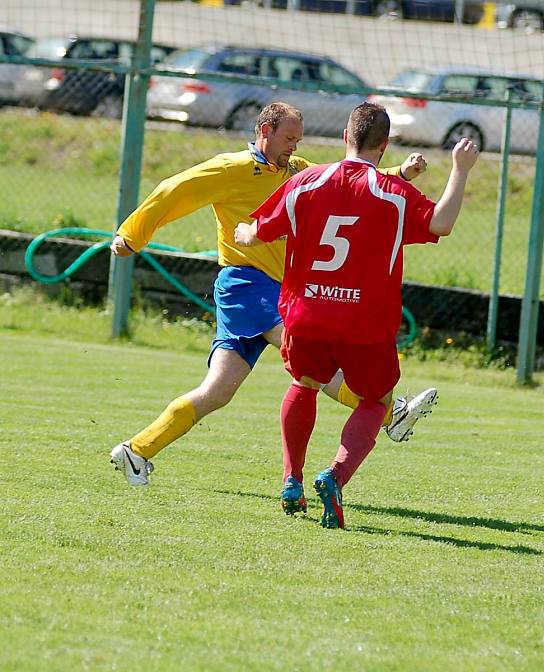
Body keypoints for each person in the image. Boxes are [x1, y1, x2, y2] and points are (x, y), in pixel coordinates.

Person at [108, 102, 439, 496]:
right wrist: (132, 236)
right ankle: (388, 415)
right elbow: (174, 190)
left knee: (217, 391)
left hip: (275, 289)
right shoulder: (230, 169)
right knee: (314, 363)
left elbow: (349, 178)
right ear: (264, 130)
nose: (293, 147)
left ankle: (136, 450)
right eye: (288, 138)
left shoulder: (298, 170)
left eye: (298, 139)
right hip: (247, 285)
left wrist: (399, 174)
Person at [235, 102, 479, 528]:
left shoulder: (307, 182)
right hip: (365, 325)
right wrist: (460, 169)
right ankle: (335, 475)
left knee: (304, 383)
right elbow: (440, 223)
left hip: (306, 315)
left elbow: (257, 234)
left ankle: (291, 479)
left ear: (345, 136)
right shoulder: (393, 194)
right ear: (384, 146)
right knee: (376, 400)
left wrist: (244, 232)